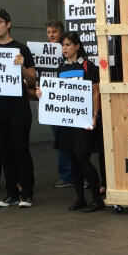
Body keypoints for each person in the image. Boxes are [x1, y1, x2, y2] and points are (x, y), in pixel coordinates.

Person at [36, 31, 104, 213]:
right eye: (62, 45)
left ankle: (97, 199)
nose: (64, 48)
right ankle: (80, 198)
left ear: (77, 46)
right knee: (73, 159)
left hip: (84, 120)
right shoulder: (61, 68)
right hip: (67, 121)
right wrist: (42, 94)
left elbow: (95, 93)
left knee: (83, 158)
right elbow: (58, 94)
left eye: (67, 44)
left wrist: (95, 115)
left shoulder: (89, 66)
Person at [0, 8, 37, 207]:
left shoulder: (21, 48)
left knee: (21, 150)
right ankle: (11, 192)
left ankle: (27, 192)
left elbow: (32, 79)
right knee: (5, 152)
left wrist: (20, 67)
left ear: (8, 24)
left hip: (18, 108)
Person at [44, 19, 74, 190]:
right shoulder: (44, 53)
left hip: (69, 102)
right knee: (60, 140)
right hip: (53, 103)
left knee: (72, 140)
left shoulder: (67, 51)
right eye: (48, 32)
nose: (51, 35)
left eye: (54, 32)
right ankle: (65, 175)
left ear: (61, 33)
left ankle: (74, 174)